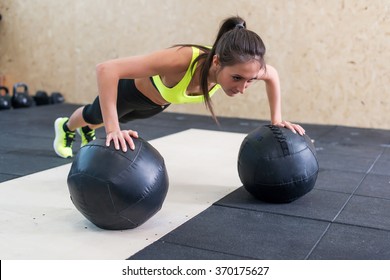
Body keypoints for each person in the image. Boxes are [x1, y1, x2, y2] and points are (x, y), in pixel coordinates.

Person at [53, 16, 305, 159]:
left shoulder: (247, 67)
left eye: (250, 80)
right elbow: (106, 69)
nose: (243, 88)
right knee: (92, 116)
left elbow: (272, 75)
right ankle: (65, 126)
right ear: (216, 62)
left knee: (104, 123)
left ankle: (89, 129)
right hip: (127, 93)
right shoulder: (181, 59)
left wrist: (277, 120)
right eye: (237, 78)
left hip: (155, 105)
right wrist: (113, 129)